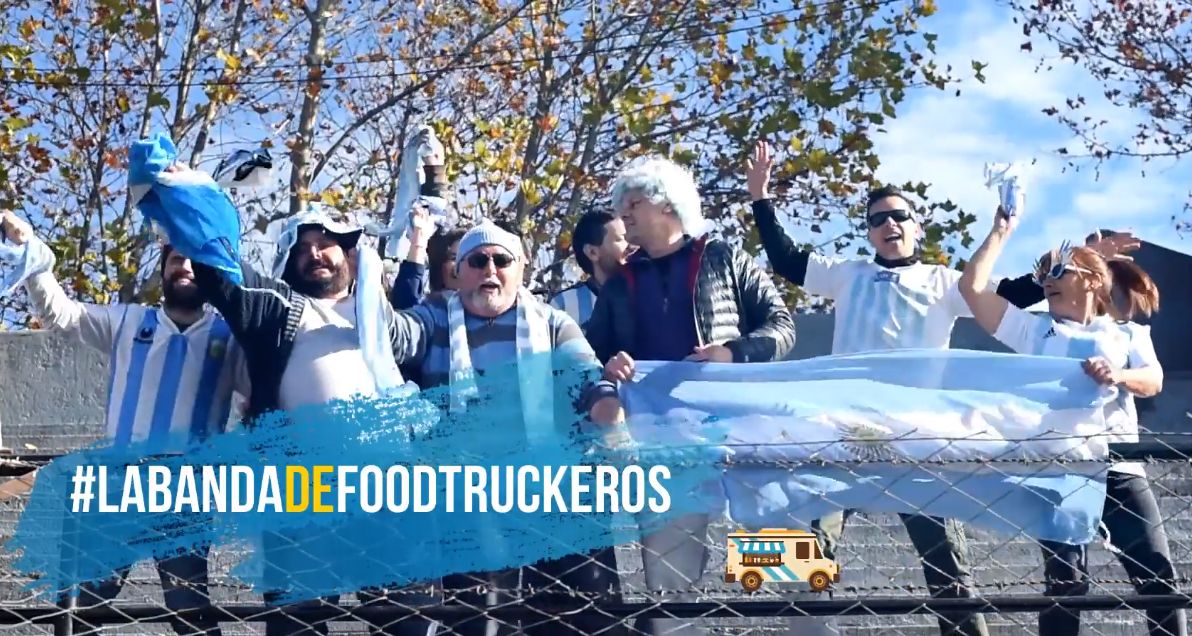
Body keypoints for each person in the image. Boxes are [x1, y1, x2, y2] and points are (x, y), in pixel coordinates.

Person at [745, 140, 1141, 636]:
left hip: (916, 434)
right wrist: (761, 198)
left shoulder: (941, 281)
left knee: (948, 564)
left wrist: (1087, 259)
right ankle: (804, 627)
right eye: (876, 220)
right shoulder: (846, 274)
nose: (889, 225)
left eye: (899, 216)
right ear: (869, 233)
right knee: (806, 528)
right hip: (842, 425)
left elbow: (1016, 292)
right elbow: (785, 259)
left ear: (917, 226)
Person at [1, 209, 244, 636]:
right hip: (117, 485)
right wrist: (28, 247)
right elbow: (62, 315)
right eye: (174, 259)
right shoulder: (129, 322)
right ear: (163, 268)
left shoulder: (230, 339)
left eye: (193, 259)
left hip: (186, 492)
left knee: (189, 606)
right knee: (84, 606)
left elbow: (263, 398)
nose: (183, 266)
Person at [585, 156, 797, 636]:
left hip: (745, 438)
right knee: (671, 584)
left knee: (787, 562)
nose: (624, 216)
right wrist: (608, 367)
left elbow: (783, 328)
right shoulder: (619, 284)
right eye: (621, 207)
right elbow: (588, 355)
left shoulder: (724, 257)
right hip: (664, 448)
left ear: (669, 204)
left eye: (633, 203)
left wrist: (733, 352)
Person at [384, 219, 628, 636]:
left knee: (588, 616)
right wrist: (382, 266)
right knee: (478, 621)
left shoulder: (551, 322)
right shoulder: (433, 319)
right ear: (458, 272)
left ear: (521, 268)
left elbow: (587, 376)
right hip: (466, 496)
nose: (490, 271)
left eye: (502, 260)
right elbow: (390, 334)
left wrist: (608, 411)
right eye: (478, 261)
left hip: (553, 489)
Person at [957, 209, 1183, 636]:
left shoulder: (1129, 335)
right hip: (1061, 473)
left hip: (1119, 470)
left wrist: (1118, 376)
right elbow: (971, 288)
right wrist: (1001, 230)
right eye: (1042, 272)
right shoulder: (1034, 331)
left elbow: (1153, 380)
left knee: (1157, 577)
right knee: (1065, 584)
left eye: (1058, 270)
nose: (1047, 280)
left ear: (1093, 281)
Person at [549, 210, 631, 329]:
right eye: (621, 239)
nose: (631, 246)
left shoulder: (648, 293)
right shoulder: (563, 305)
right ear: (592, 252)